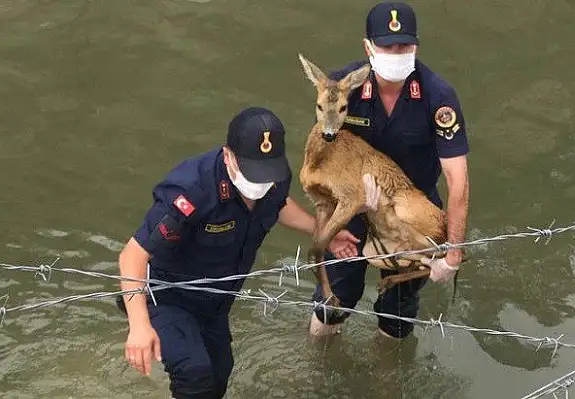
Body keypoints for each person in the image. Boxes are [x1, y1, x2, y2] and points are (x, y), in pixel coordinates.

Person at [116, 106, 378, 398]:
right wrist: (139, 327)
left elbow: (278, 203)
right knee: (195, 372)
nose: (259, 184)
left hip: (216, 300)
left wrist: (323, 233)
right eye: (252, 173)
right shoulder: (192, 190)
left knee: (219, 374)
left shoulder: (273, 178)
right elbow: (132, 256)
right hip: (165, 294)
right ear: (228, 155)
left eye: (266, 175)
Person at [309, 1, 471, 340]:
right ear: (367, 47)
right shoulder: (343, 89)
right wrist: (328, 226)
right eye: (386, 45)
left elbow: (459, 182)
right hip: (351, 209)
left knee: (397, 315)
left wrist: (452, 252)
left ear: (416, 45)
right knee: (333, 302)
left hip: (409, 215)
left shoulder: (437, 97)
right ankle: (318, 368)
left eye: (404, 45)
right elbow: (319, 159)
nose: (396, 53)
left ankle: (388, 381)